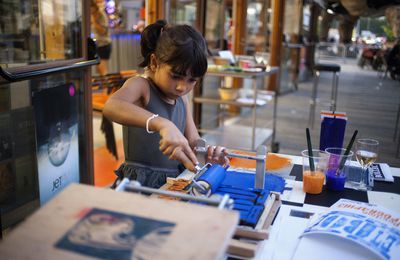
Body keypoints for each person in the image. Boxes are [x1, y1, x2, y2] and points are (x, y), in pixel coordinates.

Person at [103, 20, 229, 188]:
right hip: (141, 185)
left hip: (175, 181)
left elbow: (193, 140)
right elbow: (112, 106)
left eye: (192, 80)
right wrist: (162, 124)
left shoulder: (182, 99)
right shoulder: (141, 86)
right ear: (155, 63)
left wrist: (208, 153)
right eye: (175, 76)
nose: (182, 87)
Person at [91, 0, 112, 76]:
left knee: (103, 70)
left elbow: (103, 31)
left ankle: (107, 88)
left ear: (93, 7)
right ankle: (105, 88)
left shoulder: (100, 14)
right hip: (98, 45)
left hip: (104, 44)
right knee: (99, 70)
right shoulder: (93, 15)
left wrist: (94, 21)